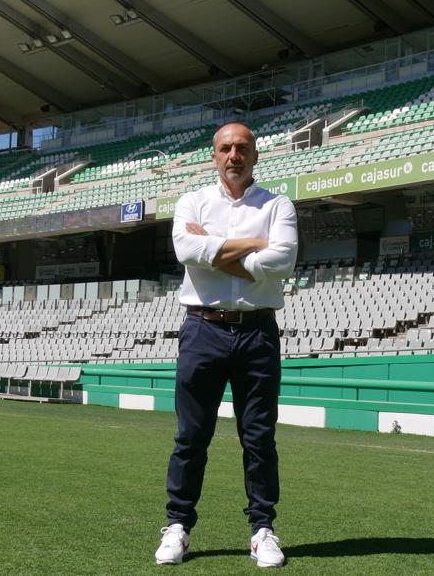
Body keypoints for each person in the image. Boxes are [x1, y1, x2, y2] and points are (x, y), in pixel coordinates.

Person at [155, 122, 298, 568]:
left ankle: (262, 529)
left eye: (242, 148)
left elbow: (285, 260)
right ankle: (178, 526)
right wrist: (255, 248)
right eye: (225, 148)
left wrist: (213, 251)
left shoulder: (278, 204)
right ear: (213, 155)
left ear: (255, 155)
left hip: (258, 331)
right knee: (191, 436)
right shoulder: (191, 201)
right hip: (203, 328)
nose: (233, 155)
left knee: (258, 437)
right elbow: (184, 250)